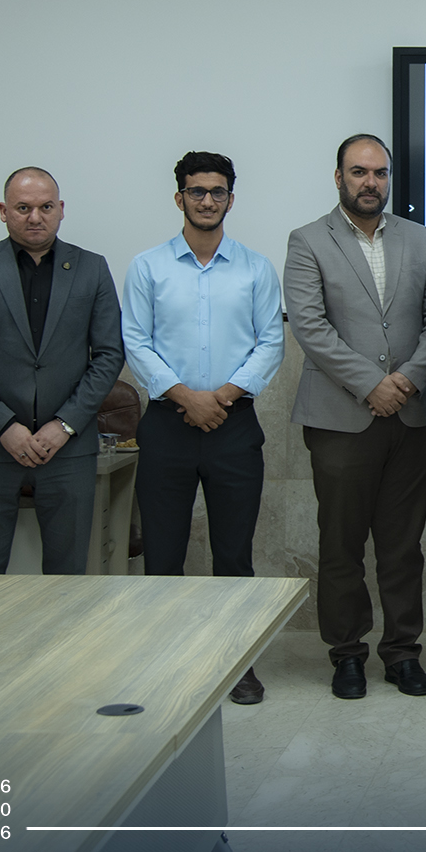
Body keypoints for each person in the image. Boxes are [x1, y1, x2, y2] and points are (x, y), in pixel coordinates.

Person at [285, 134, 426, 701]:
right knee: (342, 545)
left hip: (411, 415)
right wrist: (370, 385)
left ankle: (402, 652)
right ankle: (347, 654)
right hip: (341, 419)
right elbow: (310, 325)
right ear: (339, 178)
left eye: (379, 173)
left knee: (404, 547)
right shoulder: (308, 240)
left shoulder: (416, 236)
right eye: (359, 172)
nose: (370, 182)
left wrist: (406, 380)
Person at [122, 151, 284, 706]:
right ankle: (164, 668)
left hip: (234, 427)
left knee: (234, 557)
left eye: (218, 192)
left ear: (231, 200)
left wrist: (223, 397)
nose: (208, 201)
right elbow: (135, 340)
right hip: (167, 424)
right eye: (197, 191)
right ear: (180, 198)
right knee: (163, 555)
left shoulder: (256, 268)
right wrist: (186, 397)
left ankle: (237, 665)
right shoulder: (147, 267)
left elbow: (271, 342)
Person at [0, 167, 125, 591]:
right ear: (3, 211)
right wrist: (4, 426)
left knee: (67, 580)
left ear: (61, 210)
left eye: (45, 207)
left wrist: (65, 425)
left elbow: (109, 354)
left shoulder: (92, 268)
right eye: (23, 208)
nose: (35, 217)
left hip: (68, 450)